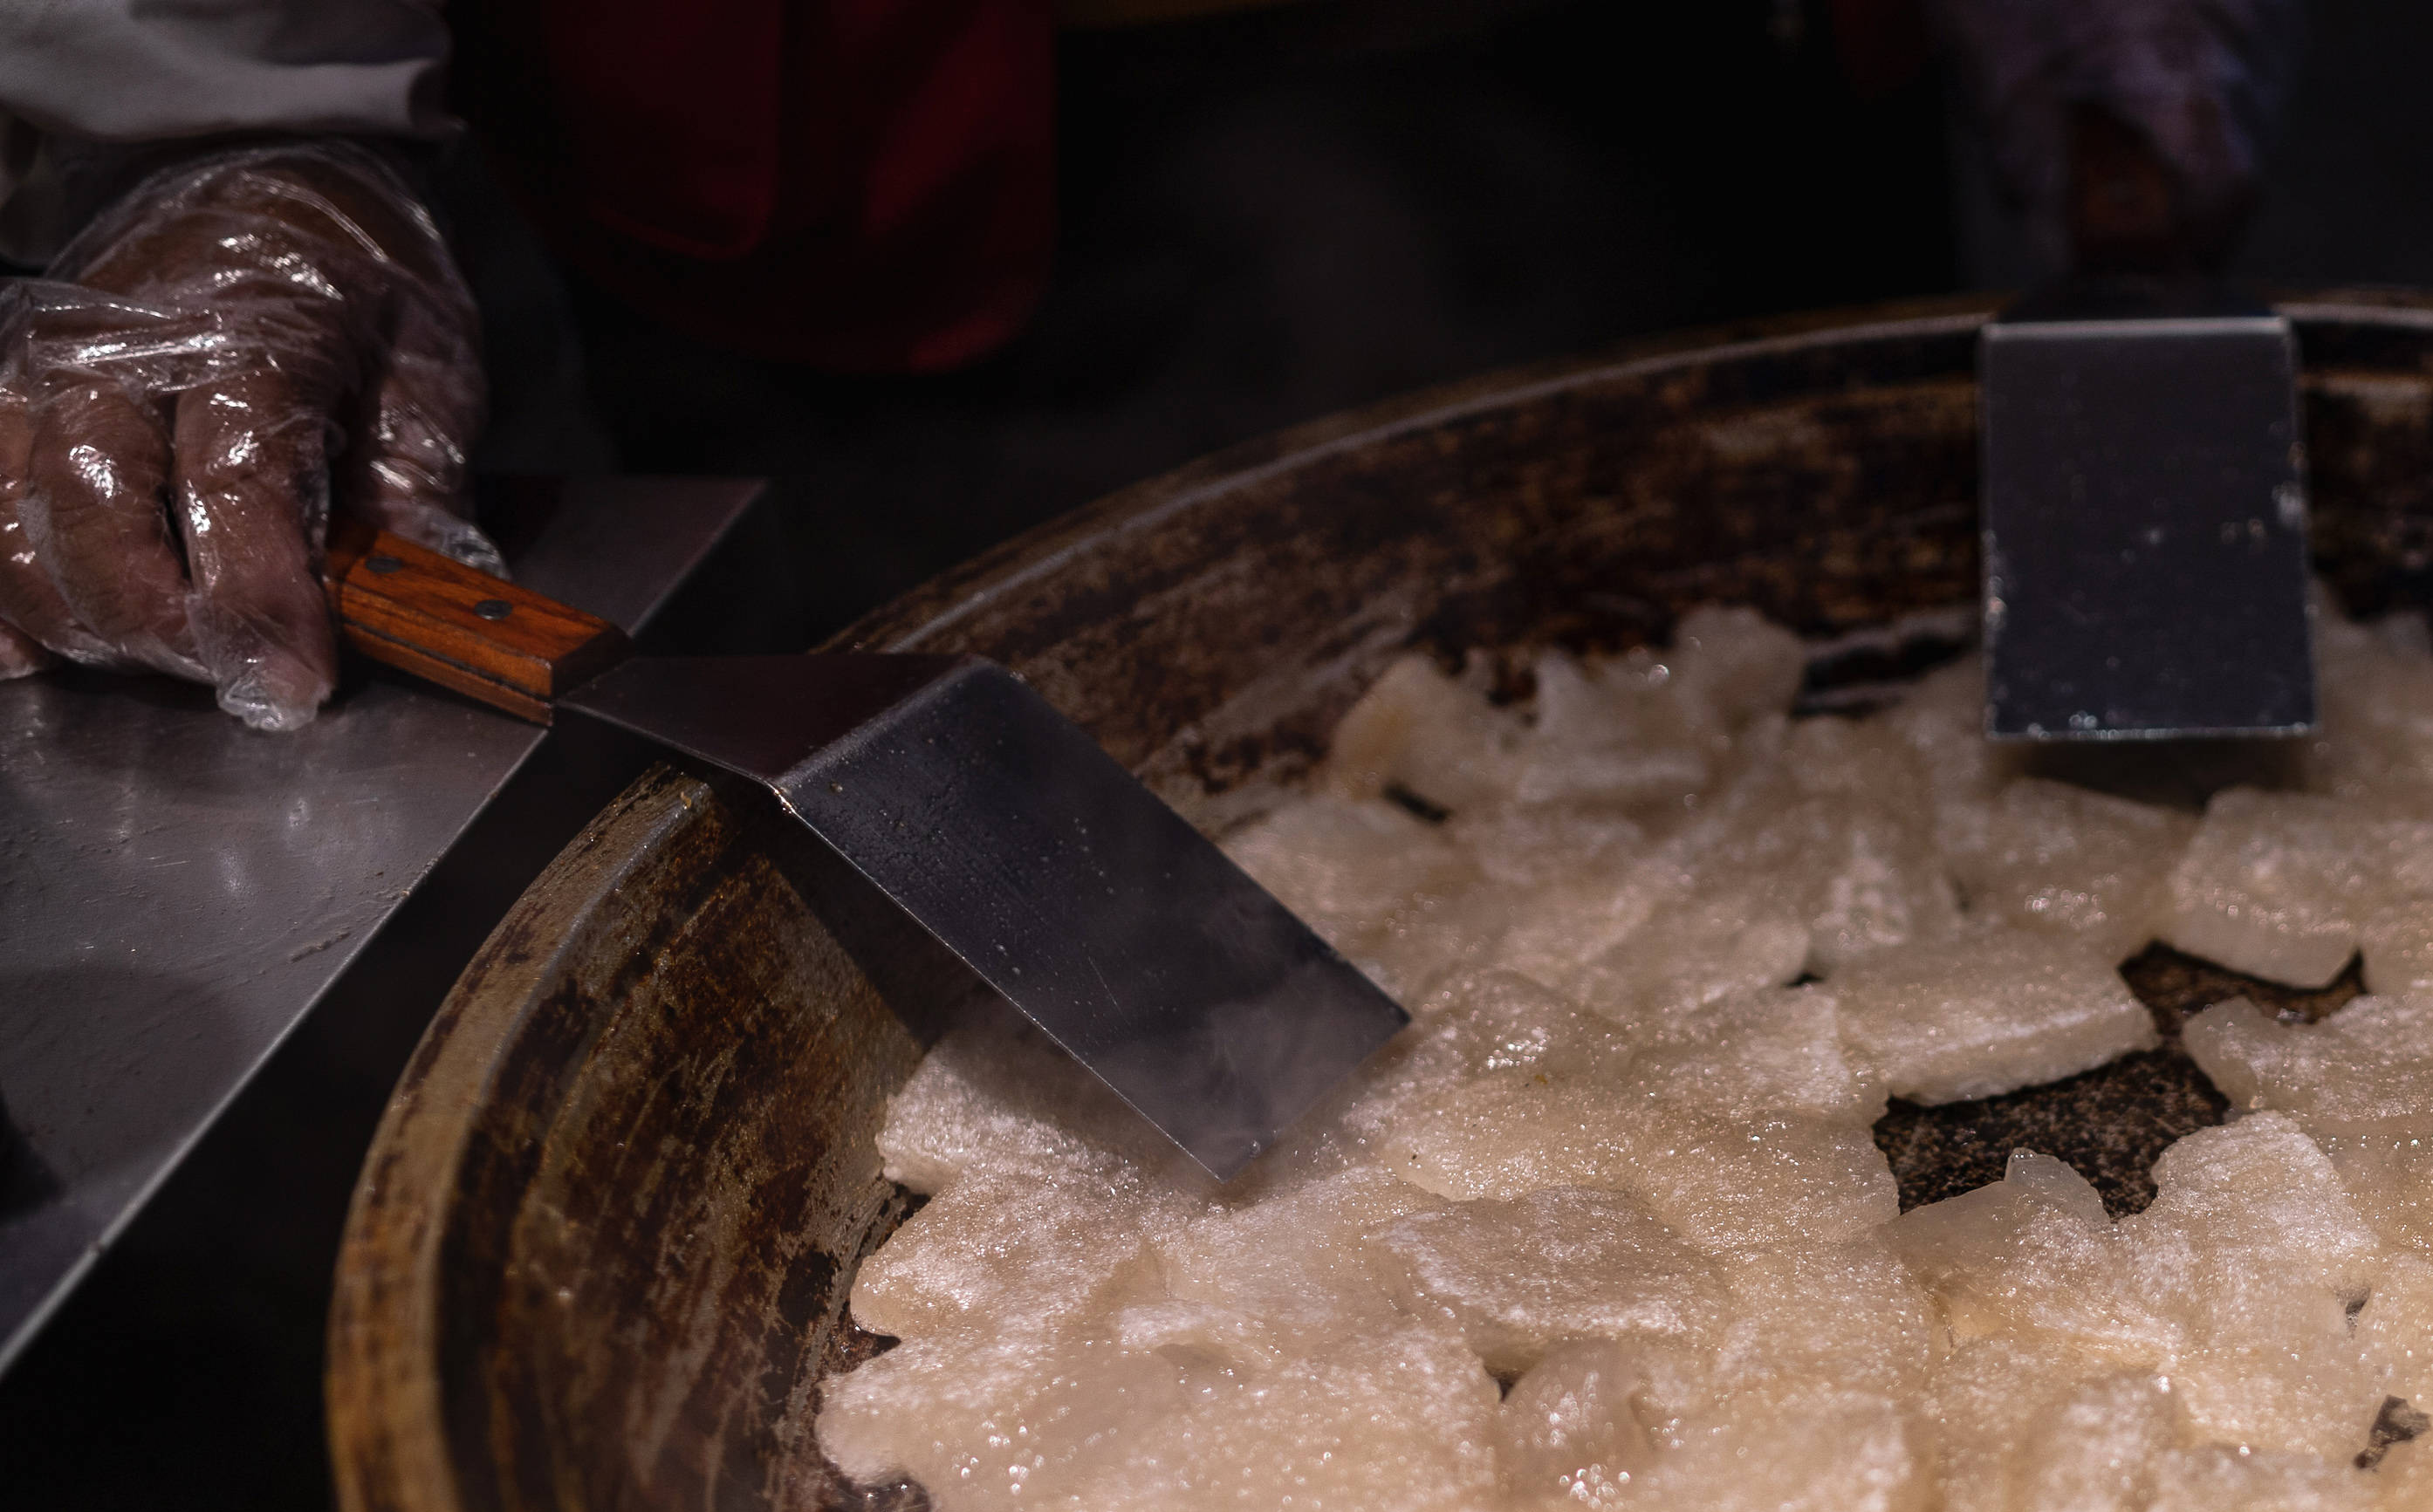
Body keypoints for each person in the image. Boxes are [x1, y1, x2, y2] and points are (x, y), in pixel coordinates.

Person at [0, 0, 2297, 733]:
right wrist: (210, 100)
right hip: (905, 125)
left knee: (1814, 634)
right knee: (1045, 741)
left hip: (1664, 69)